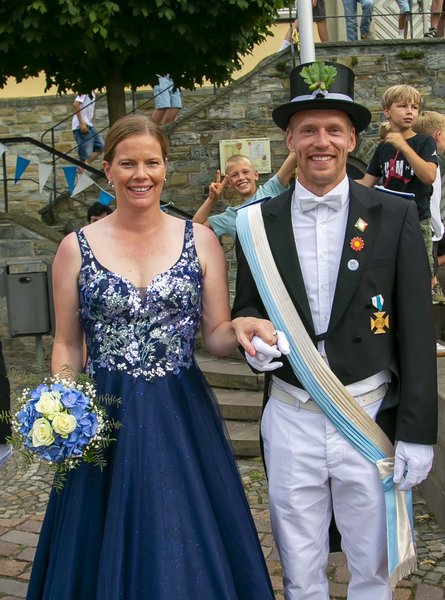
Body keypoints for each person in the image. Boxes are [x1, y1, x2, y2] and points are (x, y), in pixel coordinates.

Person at [26, 114, 277, 599]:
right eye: (128, 163)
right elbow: (67, 343)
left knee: (183, 527)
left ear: (165, 166)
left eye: (152, 162)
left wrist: (241, 327)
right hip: (103, 414)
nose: (141, 174)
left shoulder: (201, 240)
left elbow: (215, 336)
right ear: (107, 169)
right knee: (94, 535)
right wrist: (62, 400)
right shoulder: (74, 248)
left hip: (179, 412)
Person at [232, 60, 437, 599]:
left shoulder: (393, 214)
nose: (320, 142)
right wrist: (252, 344)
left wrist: (418, 431)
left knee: (372, 571)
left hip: (366, 413)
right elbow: (247, 307)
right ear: (289, 140)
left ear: (351, 138)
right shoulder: (256, 222)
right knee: (300, 571)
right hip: (291, 415)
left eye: (333, 130)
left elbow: (418, 330)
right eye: (308, 130)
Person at [359, 84, 439, 291]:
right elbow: (367, 183)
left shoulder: (424, 142)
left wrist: (403, 146)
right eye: (403, 106)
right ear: (387, 111)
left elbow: (429, 176)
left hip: (417, 219)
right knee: (390, 272)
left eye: (414, 107)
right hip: (389, 221)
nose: (410, 111)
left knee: (423, 276)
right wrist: (337, 180)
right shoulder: (382, 148)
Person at [193, 152, 298, 238]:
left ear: (255, 175)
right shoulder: (232, 215)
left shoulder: (271, 189)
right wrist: (212, 199)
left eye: (245, 172)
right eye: (234, 175)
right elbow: (194, 227)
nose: (241, 177)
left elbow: (293, 155)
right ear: (229, 183)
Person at [412, 110, 445, 305]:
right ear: (438, 135)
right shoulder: (431, 164)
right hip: (428, 226)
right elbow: (431, 200)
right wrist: (438, 228)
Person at [71, 91, 105, 167]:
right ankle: (81, 168)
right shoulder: (85, 90)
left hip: (88, 124)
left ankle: (83, 167)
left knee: (100, 146)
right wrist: (81, 123)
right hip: (80, 125)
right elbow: (76, 104)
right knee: (86, 152)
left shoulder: (92, 92)